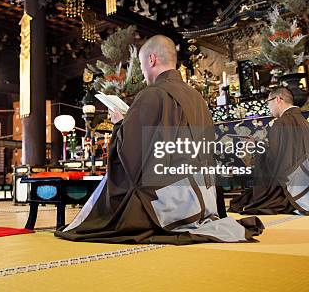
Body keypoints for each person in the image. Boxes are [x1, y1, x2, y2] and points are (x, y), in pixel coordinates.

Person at [55, 35, 263, 244]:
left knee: (109, 199)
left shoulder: (153, 94)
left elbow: (132, 154)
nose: (144, 73)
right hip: (205, 197)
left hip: (171, 201)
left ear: (152, 60)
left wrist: (120, 124)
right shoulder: (196, 97)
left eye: (143, 66)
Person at [229, 87, 309, 215]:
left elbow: (273, 158)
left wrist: (256, 147)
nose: (269, 107)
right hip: (307, 180)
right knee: (245, 198)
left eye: (268, 102)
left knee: (244, 201)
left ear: (278, 99)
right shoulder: (303, 121)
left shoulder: (281, 123)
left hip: (287, 186)